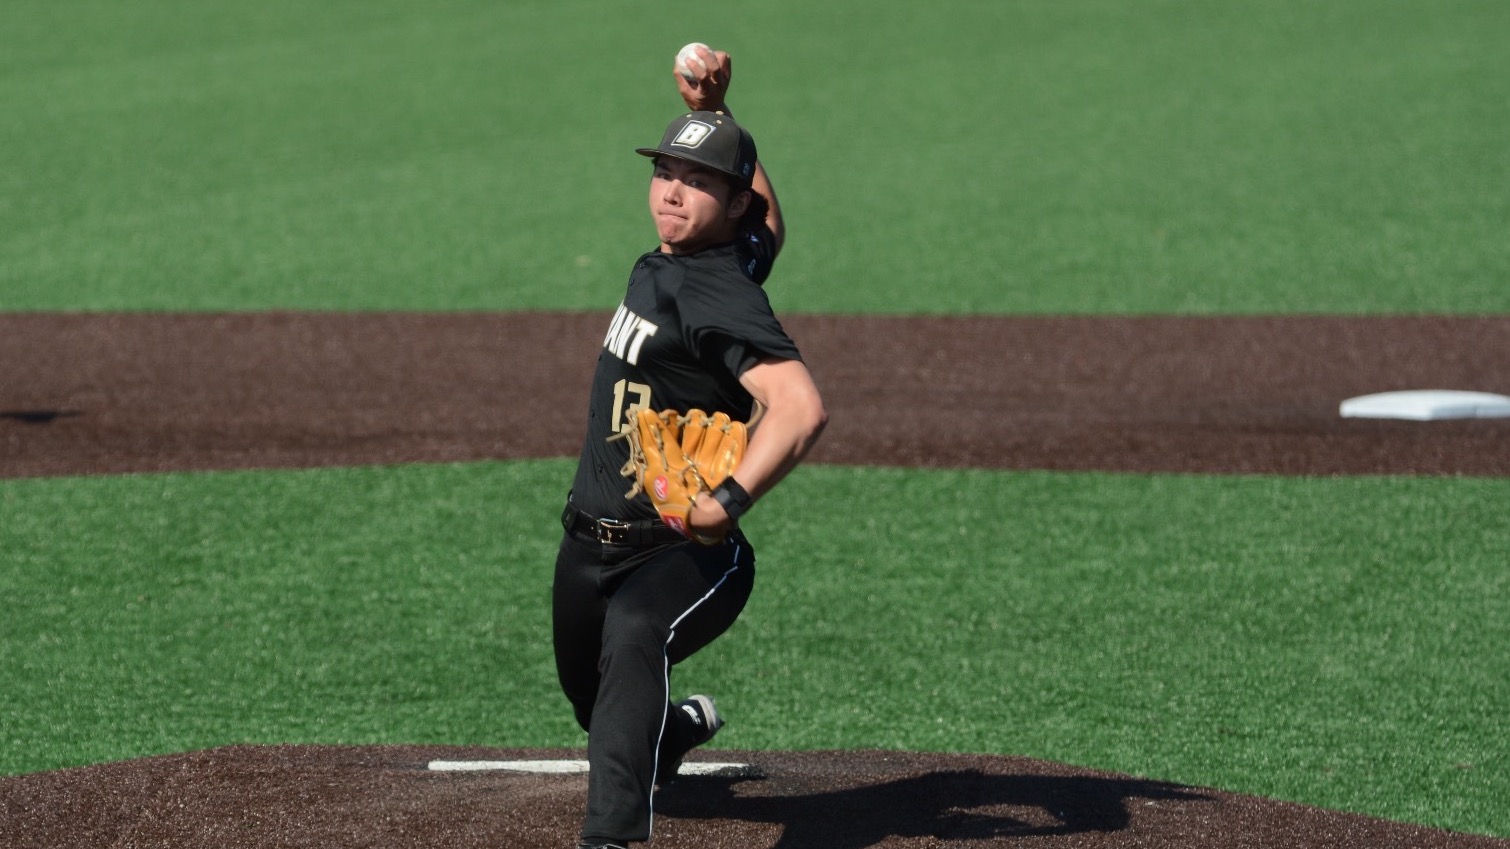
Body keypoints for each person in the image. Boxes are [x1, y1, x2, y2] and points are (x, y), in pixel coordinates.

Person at [551, 44, 827, 849]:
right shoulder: (717, 247)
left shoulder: (721, 293)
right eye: (667, 170)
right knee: (596, 702)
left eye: (698, 180)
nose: (673, 190)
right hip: (586, 542)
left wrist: (728, 499)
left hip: (682, 549)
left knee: (635, 637)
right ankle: (668, 734)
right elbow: (768, 217)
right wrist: (715, 118)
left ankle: (612, 839)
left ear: (728, 201)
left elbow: (800, 406)